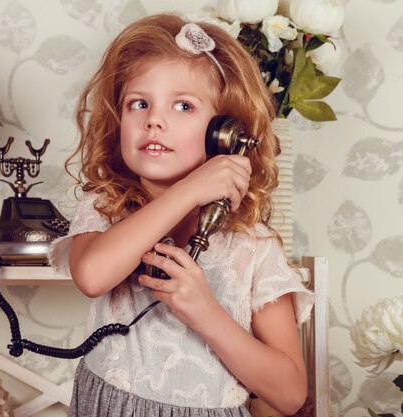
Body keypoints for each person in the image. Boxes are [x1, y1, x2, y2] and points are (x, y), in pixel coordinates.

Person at [48, 13, 314, 417]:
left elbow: (290, 393)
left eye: (183, 105)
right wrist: (191, 190)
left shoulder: (252, 246)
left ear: (224, 131)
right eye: (139, 103)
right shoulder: (107, 207)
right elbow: (92, 276)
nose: (154, 119)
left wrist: (206, 313)